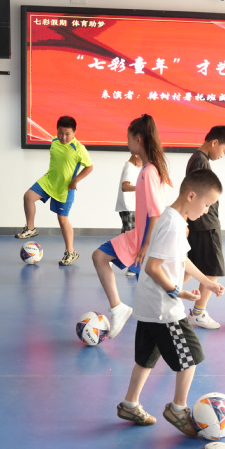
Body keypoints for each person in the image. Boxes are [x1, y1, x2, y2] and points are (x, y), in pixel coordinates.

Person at [116, 169, 225, 435]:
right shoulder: (174, 225)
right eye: (207, 204)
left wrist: (207, 282)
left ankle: (129, 405)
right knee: (191, 358)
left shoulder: (172, 217)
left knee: (146, 359)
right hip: (164, 309)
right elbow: (153, 267)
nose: (207, 211)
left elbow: (182, 259)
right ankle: (178, 409)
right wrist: (178, 292)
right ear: (191, 196)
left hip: (149, 306)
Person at [92, 114, 171, 339]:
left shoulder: (149, 171)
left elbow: (156, 213)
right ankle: (118, 308)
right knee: (99, 256)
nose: (127, 143)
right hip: (138, 236)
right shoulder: (147, 169)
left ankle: (166, 332)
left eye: (128, 139)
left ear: (138, 139)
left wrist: (146, 245)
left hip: (145, 240)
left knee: (150, 299)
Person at [15, 115, 93, 266]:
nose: (63, 137)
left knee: (62, 219)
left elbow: (89, 167)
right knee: (28, 197)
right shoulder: (54, 141)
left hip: (65, 187)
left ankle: (70, 252)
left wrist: (75, 180)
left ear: (74, 132)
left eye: (67, 134)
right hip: (49, 181)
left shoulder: (79, 149)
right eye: (60, 133)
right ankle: (30, 228)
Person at [184, 125, 225, 329]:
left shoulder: (198, 159)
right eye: (224, 150)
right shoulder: (200, 161)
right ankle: (198, 313)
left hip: (200, 222)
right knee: (213, 269)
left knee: (192, 265)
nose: (222, 155)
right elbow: (196, 193)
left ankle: (164, 294)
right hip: (206, 224)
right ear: (214, 142)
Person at [116, 152, 142, 276]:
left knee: (126, 237)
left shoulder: (133, 168)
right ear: (136, 155)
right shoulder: (130, 168)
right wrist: (140, 188)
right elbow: (125, 187)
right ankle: (132, 267)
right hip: (129, 207)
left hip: (131, 207)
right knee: (132, 238)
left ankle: (110, 256)